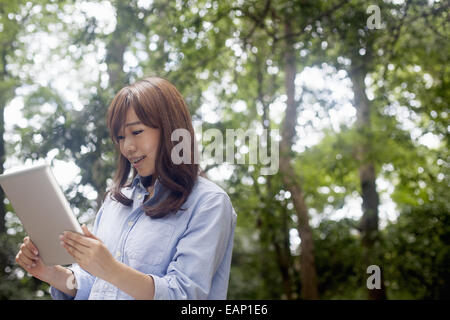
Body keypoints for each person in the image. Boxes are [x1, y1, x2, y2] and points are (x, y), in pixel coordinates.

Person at [15, 77, 237, 299]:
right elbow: (95, 283)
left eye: (137, 132)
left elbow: (183, 294)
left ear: (171, 129)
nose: (128, 147)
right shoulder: (115, 202)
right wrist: (52, 273)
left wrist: (110, 268)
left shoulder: (209, 202)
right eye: (120, 137)